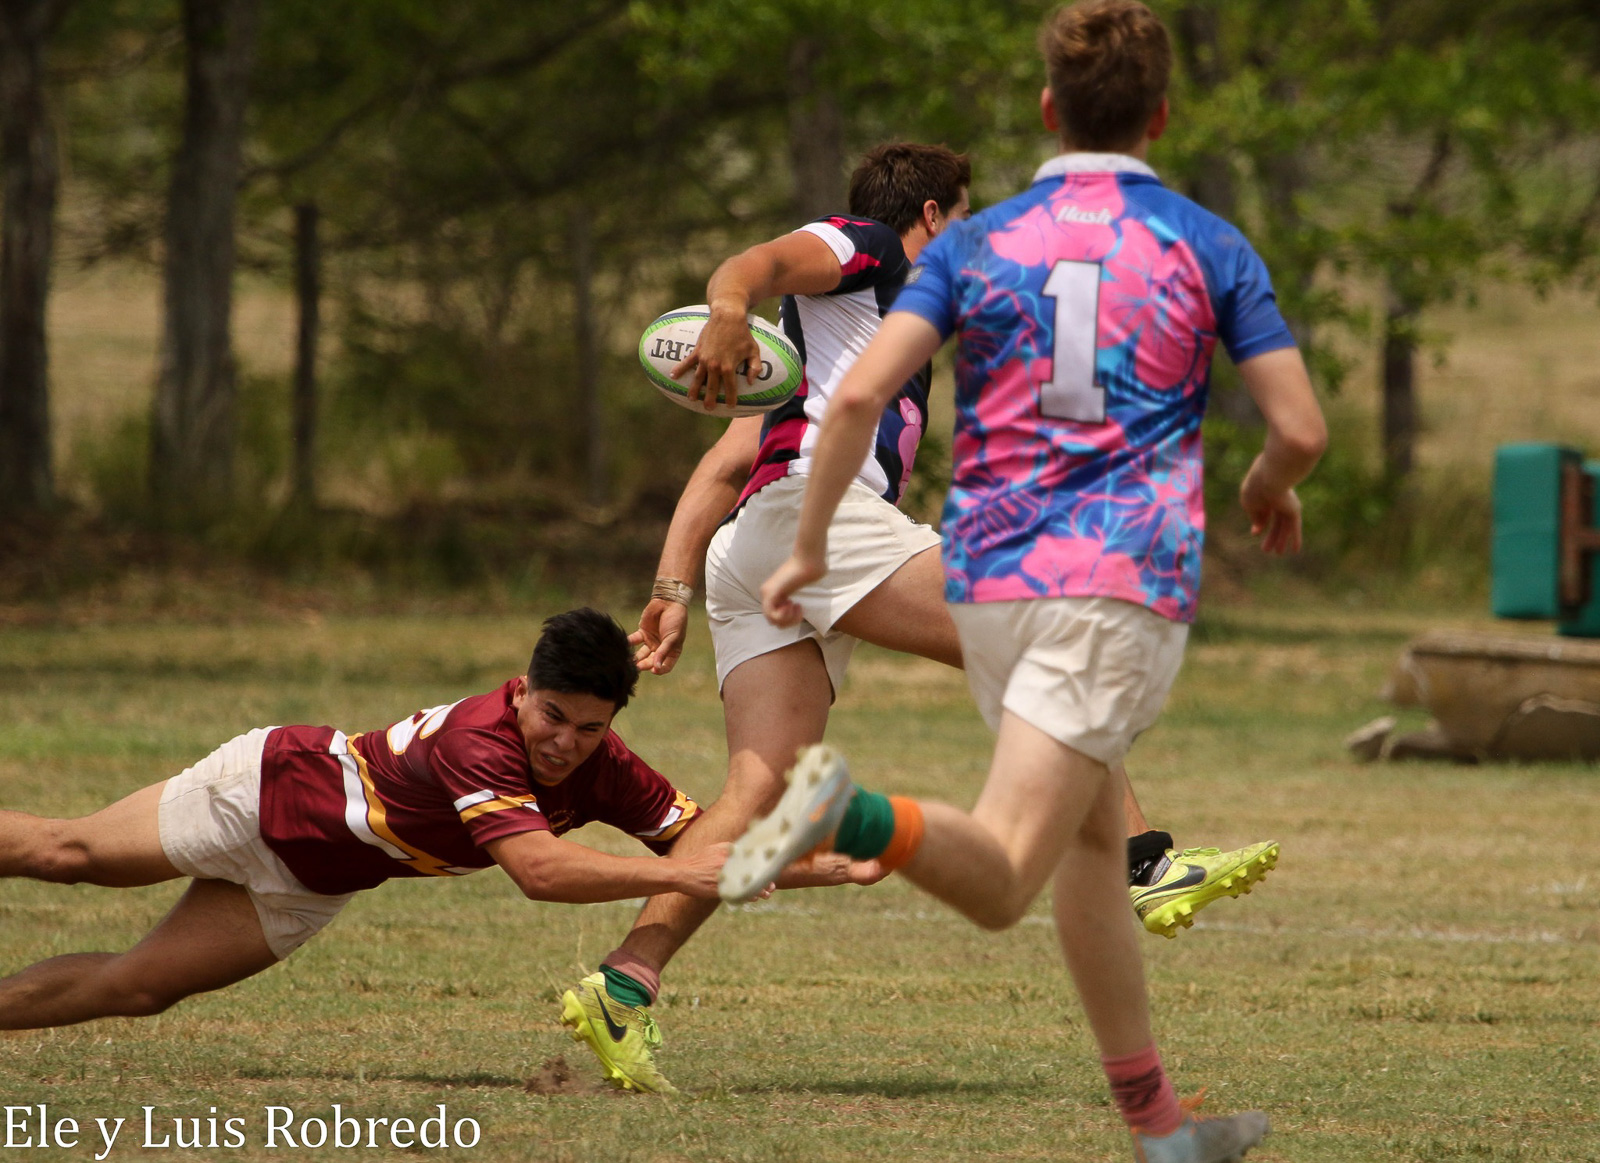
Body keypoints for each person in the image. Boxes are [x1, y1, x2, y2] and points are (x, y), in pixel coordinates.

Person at [560, 142, 1276, 1097]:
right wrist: (727, 307)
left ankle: (623, 984)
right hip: (815, 519)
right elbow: (750, 267)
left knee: (755, 790)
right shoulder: (868, 249)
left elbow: (734, 459)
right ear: (933, 216)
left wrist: (676, 585)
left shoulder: (845, 337)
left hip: (758, 540)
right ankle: (1146, 864)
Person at [746, 3, 1328, 1160]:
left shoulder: (971, 243)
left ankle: (1159, 1127)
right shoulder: (1207, 243)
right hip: (1111, 584)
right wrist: (1268, 483)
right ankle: (852, 810)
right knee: (1010, 867)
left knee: (1084, 850)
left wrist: (808, 543)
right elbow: (1299, 427)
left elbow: (855, 398)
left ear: (1048, 112)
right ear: (1160, 116)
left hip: (990, 578)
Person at [0, 609, 729, 1035]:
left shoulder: (604, 766)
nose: (565, 742)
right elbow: (539, 872)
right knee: (70, 853)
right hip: (265, 792)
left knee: (138, 989)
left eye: (590, 727)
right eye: (553, 715)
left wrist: (830, 860)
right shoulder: (480, 739)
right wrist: (680, 873)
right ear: (523, 691)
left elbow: (708, 839)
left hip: (312, 882)